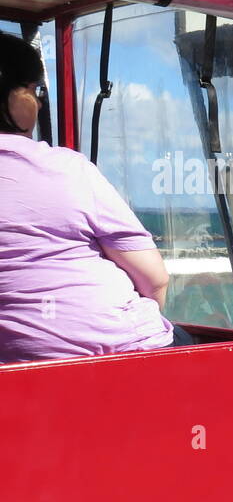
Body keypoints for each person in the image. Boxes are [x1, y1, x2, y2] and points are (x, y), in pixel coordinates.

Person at [0, 32, 188, 362]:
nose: (40, 103)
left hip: (17, 367)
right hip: (123, 348)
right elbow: (154, 280)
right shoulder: (67, 169)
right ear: (10, 97)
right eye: (34, 91)